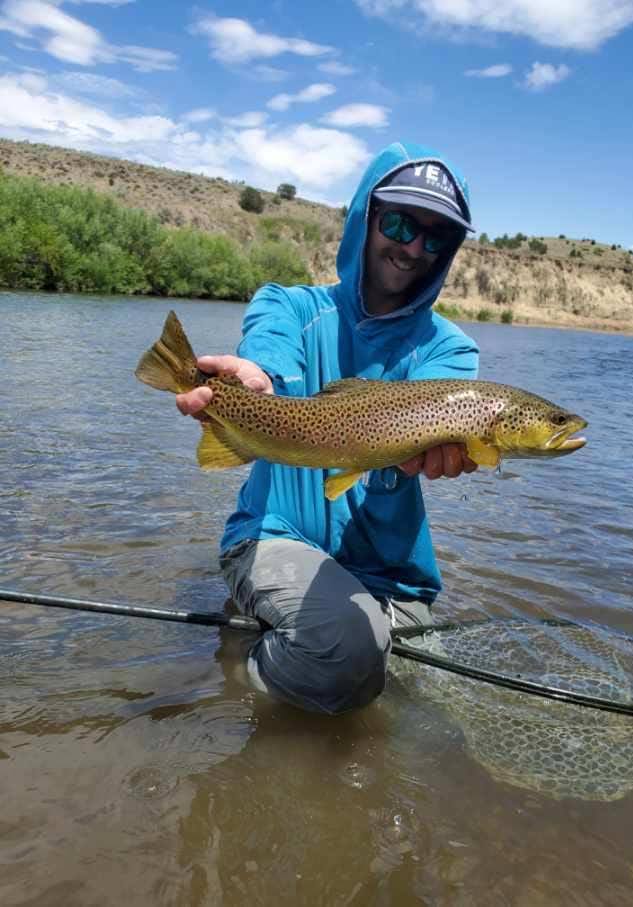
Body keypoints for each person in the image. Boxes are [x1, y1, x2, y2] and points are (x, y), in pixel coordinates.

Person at [177, 142, 480, 714]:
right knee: (348, 648)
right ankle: (239, 671)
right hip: (275, 537)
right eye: (399, 223)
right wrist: (256, 380)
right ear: (365, 217)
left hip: (393, 580)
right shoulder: (288, 306)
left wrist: (442, 448)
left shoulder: (451, 351)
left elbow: (436, 411)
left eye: (436, 236)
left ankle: (298, 652)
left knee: (413, 706)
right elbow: (267, 352)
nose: (414, 247)